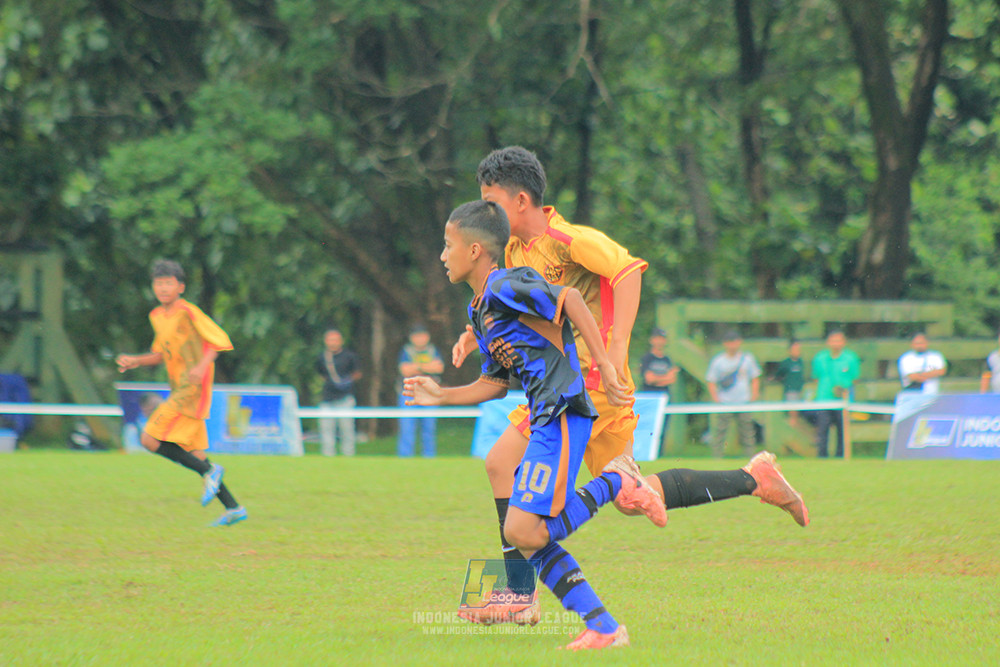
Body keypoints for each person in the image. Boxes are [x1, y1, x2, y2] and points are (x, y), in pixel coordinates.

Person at [451, 147, 808, 627]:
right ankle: (754, 478)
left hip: (591, 384)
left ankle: (520, 595)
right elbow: (514, 306)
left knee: (508, 464)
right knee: (625, 497)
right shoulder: (513, 251)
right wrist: (475, 333)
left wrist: (615, 349)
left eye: (490, 201)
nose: (485, 213)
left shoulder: (568, 239)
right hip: (564, 384)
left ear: (519, 200)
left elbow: (626, 271)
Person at [406, 199, 666, 650]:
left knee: (523, 530)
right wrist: (442, 395)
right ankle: (602, 627)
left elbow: (570, 299)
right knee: (522, 529)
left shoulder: (507, 283)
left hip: (562, 410)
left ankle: (615, 481)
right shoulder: (479, 309)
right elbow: (493, 385)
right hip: (544, 415)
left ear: (474, 250)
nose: (442, 255)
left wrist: (605, 363)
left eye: (447, 245)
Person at [116, 259, 246, 527]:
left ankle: (211, 471)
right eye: (158, 283)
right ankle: (233, 507)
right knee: (193, 453)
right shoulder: (156, 316)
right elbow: (161, 354)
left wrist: (201, 367)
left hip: (193, 387)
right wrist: (135, 360)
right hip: (179, 387)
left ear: (181, 287)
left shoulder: (188, 312)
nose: (163, 288)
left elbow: (219, 341)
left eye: (168, 283)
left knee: (149, 438)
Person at [705, 330, 761, 458]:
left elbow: (755, 377)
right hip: (725, 402)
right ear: (725, 344)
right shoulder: (718, 361)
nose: (733, 345)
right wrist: (716, 398)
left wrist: (754, 394)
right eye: (730, 342)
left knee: (747, 432)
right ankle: (717, 457)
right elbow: (711, 380)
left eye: (735, 342)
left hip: (744, 401)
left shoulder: (747, 359)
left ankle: (750, 457)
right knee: (720, 432)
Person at [397, 324, 444, 456]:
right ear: (411, 338)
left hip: (430, 394)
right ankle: (405, 457)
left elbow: (439, 368)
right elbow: (405, 371)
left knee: (429, 429)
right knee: (407, 429)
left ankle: (429, 456)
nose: (420, 339)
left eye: (422, 336)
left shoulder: (433, 350)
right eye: (416, 336)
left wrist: (416, 367)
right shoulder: (406, 351)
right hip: (409, 394)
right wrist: (427, 367)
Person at [811, 330, 860, 458]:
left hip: (842, 401)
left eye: (838, 340)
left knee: (842, 430)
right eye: (833, 340)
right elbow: (816, 377)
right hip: (824, 399)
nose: (836, 344)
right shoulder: (820, 358)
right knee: (822, 429)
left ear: (844, 342)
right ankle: (822, 456)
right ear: (828, 342)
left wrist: (844, 387)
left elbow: (855, 378)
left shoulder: (851, 358)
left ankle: (840, 456)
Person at [315, 328, 362, 456]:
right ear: (326, 341)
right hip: (327, 399)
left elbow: (357, 373)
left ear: (341, 341)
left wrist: (346, 382)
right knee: (326, 429)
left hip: (345, 398)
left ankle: (348, 455)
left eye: (335, 340)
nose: (333, 342)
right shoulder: (322, 357)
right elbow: (320, 373)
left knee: (347, 429)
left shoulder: (350, 356)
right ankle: (328, 455)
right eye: (330, 340)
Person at [639, 327, 678, 453]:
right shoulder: (647, 358)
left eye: (662, 338)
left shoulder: (667, 359)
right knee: (647, 427)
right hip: (649, 397)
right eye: (657, 338)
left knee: (663, 428)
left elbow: (672, 379)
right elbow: (649, 379)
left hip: (665, 397)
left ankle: (659, 454)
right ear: (652, 340)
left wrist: (658, 379)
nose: (660, 341)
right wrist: (665, 378)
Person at [773, 340, 806, 426]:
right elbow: (779, 374)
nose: (797, 352)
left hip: (800, 390)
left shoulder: (801, 362)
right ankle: (792, 422)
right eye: (795, 349)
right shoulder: (786, 363)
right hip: (790, 390)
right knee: (792, 408)